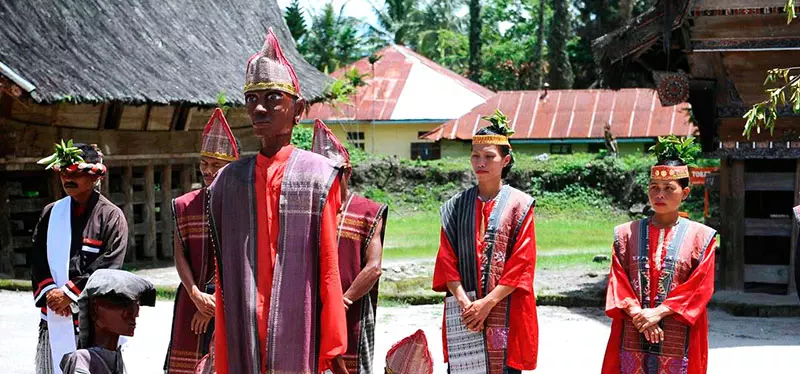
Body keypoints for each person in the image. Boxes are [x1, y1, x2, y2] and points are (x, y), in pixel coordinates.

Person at [208, 28, 348, 374]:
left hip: (297, 324)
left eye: (273, 98)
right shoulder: (228, 181)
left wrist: (333, 340)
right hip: (243, 324)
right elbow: (222, 273)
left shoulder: (318, 175)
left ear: (297, 109)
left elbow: (328, 266)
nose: (259, 108)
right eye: (252, 99)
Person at [432, 110, 538, 374]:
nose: (481, 162)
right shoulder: (456, 206)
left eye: (489, 156)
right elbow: (446, 260)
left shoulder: (519, 205)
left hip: (505, 307)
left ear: (506, 160)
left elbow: (522, 262)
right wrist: (465, 304)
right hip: (463, 309)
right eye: (475, 156)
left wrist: (487, 303)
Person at [601, 135, 717, 374]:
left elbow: (700, 286)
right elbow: (618, 281)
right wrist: (640, 315)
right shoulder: (626, 233)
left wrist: (659, 312)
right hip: (633, 326)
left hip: (678, 329)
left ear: (685, 193)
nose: (659, 195)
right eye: (654, 188)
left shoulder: (701, 237)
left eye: (668, 188)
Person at [31, 141, 128, 374]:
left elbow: (108, 266)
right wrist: (52, 294)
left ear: (95, 178)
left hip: (93, 322)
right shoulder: (50, 213)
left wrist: (69, 294)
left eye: (76, 173)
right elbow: (37, 260)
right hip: (55, 314)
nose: (68, 179)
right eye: (64, 173)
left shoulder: (112, 217)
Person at [164, 108, 240, 373]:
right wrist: (196, 295)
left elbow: (243, 260)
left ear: (232, 166)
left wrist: (214, 303)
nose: (208, 171)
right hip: (190, 298)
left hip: (233, 302)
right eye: (204, 164)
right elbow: (180, 255)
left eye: (216, 165)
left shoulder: (245, 207)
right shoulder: (184, 205)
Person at [311, 120, 388, 373]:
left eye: (332, 174)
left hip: (353, 309)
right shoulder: (306, 213)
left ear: (347, 172)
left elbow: (374, 268)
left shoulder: (368, 212)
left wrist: (342, 301)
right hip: (312, 311)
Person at [60, 269, 156, 374]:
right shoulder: (83, 360)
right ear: (94, 308)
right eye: (123, 304)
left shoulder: (122, 358)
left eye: (136, 304)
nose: (134, 313)